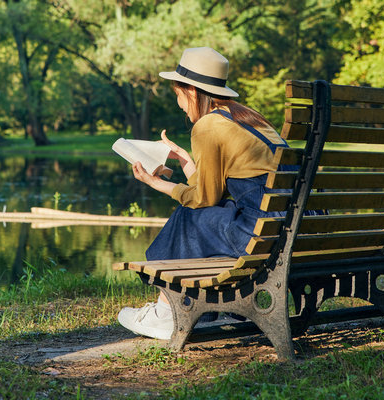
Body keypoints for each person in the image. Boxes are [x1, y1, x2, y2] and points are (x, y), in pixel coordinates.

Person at [117, 47, 291, 340]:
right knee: (211, 214)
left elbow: (203, 201)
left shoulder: (208, 125)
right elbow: (214, 193)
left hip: (263, 232)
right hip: (293, 224)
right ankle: (197, 307)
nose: (180, 105)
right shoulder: (249, 118)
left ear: (192, 93)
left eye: (177, 94)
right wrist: (187, 161)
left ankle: (165, 312)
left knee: (188, 217)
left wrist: (155, 182)